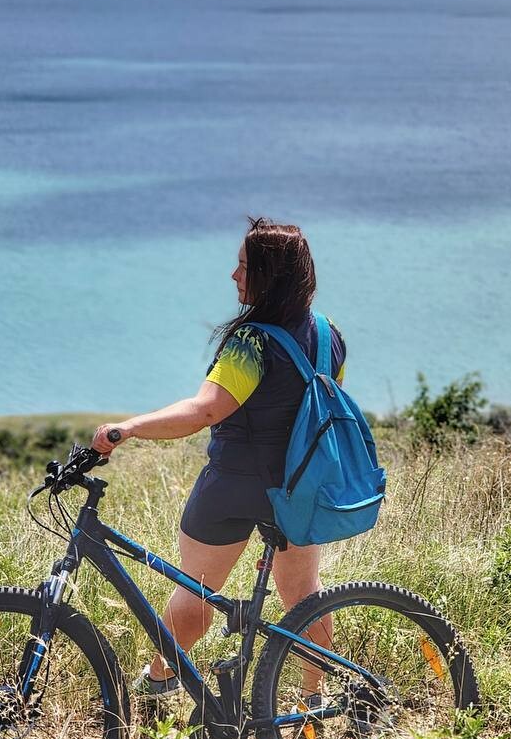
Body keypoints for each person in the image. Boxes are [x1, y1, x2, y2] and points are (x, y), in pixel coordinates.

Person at [91, 215, 345, 703]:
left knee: (199, 590)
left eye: (243, 266)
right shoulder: (329, 333)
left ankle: (162, 678)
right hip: (300, 488)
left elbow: (204, 410)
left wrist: (128, 428)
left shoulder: (251, 342)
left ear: (268, 275)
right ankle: (314, 700)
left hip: (235, 486)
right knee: (305, 597)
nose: (234, 275)